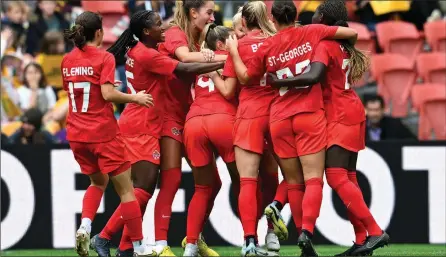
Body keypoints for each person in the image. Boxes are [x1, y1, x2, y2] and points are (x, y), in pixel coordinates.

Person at [226, 1, 359, 256]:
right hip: (308, 114)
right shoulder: (312, 33)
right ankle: (303, 233)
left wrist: (232, 51)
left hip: (269, 116)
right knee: (309, 180)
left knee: (251, 181)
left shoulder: (265, 45)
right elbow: (351, 34)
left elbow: (244, 78)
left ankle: (250, 241)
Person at [89, 10, 224, 257]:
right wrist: (222, 61)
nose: (163, 28)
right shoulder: (148, 55)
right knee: (142, 189)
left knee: (144, 188)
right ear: (145, 32)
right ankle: (104, 236)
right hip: (142, 125)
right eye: (158, 25)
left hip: (142, 122)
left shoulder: (137, 50)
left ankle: (125, 247)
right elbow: (183, 68)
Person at [267, 1, 391, 256]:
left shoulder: (323, 44)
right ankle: (361, 240)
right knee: (349, 178)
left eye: (317, 15)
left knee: (335, 177)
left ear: (323, 18)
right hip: (353, 109)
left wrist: (280, 80)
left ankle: (375, 231)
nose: (312, 18)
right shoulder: (341, 43)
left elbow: (313, 76)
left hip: (338, 114)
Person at [61, 11, 155, 257]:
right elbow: (107, 94)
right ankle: (140, 248)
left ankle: (85, 225)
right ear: (100, 32)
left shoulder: (67, 59)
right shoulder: (104, 58)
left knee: (97, 182)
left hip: (76, 134)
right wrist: (135, 97)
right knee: (127, 191)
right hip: (102, 133)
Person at [209, 2, 284, 256]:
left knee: (248, 181)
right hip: (276, 112)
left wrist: (213, 72)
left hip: (249, 114)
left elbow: (231, 89)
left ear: (244, 22)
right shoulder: (277, 41)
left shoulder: (236, 47)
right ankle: (273, 233)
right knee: (283, 175)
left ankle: (249, 241)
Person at [154, 1, 226, 256]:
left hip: (188, 115)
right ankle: (160, 245)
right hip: (167, 116)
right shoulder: (176, 33)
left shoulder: (199, 39)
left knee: (213, 182)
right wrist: (228, 57)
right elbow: (184, 59)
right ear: (193, 12)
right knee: (172, 179)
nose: (212, 17)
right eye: (209, 12)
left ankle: (194, 238)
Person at [183, 24, 238, 257]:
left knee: (202, 188)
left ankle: (191, 246)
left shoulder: (199, 58)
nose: (236, 41)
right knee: (246, 183)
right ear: (220, 44)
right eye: (232, 38)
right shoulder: (230, 56)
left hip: (194, 121)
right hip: (223, 119)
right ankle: (252, 240)